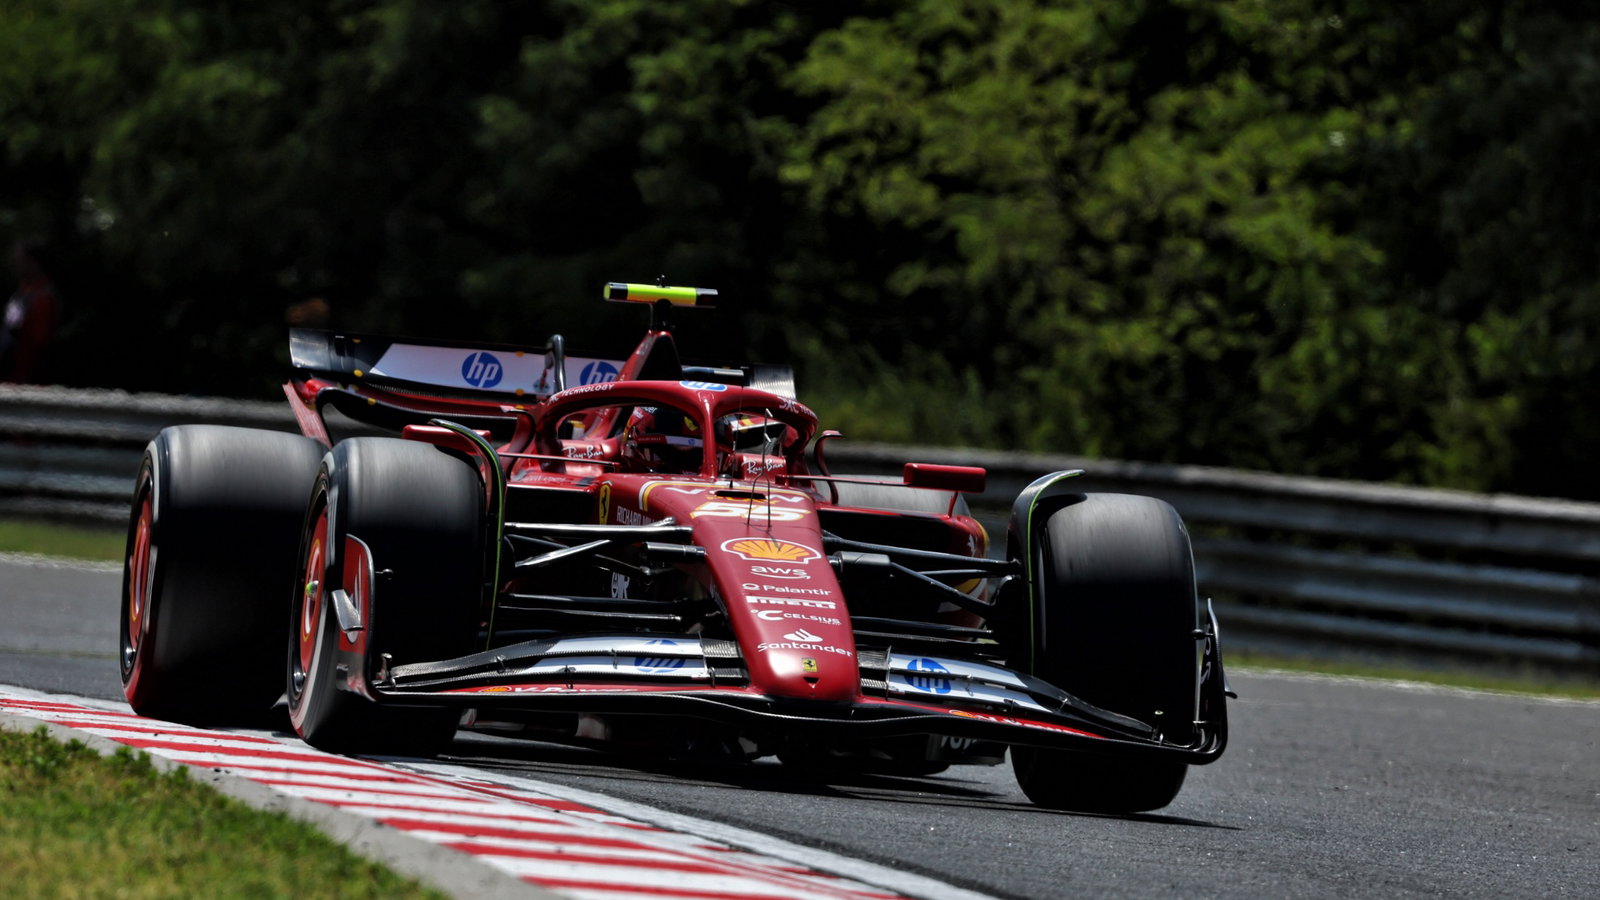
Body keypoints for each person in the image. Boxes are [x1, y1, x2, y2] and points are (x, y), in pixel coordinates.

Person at [1, 241, 61, 384]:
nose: (16, 264)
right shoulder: (20, 293)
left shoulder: (44, 298)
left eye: (21, 259)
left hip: (26, 380)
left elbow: (39, 342)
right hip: (7, 375)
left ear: (35, 263)